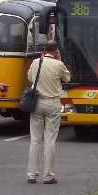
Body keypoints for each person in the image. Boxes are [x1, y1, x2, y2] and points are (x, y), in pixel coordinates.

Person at [27, 40, 71, 184]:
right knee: (50, 139)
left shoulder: (35, 62)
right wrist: (59, 60)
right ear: (56, 51)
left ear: (44, 50)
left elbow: (30, 78)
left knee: (35, 139)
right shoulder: (59, 64)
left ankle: (32, 174)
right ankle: (48, 175)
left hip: (37, 102)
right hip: (52, 103)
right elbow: (67, 78)